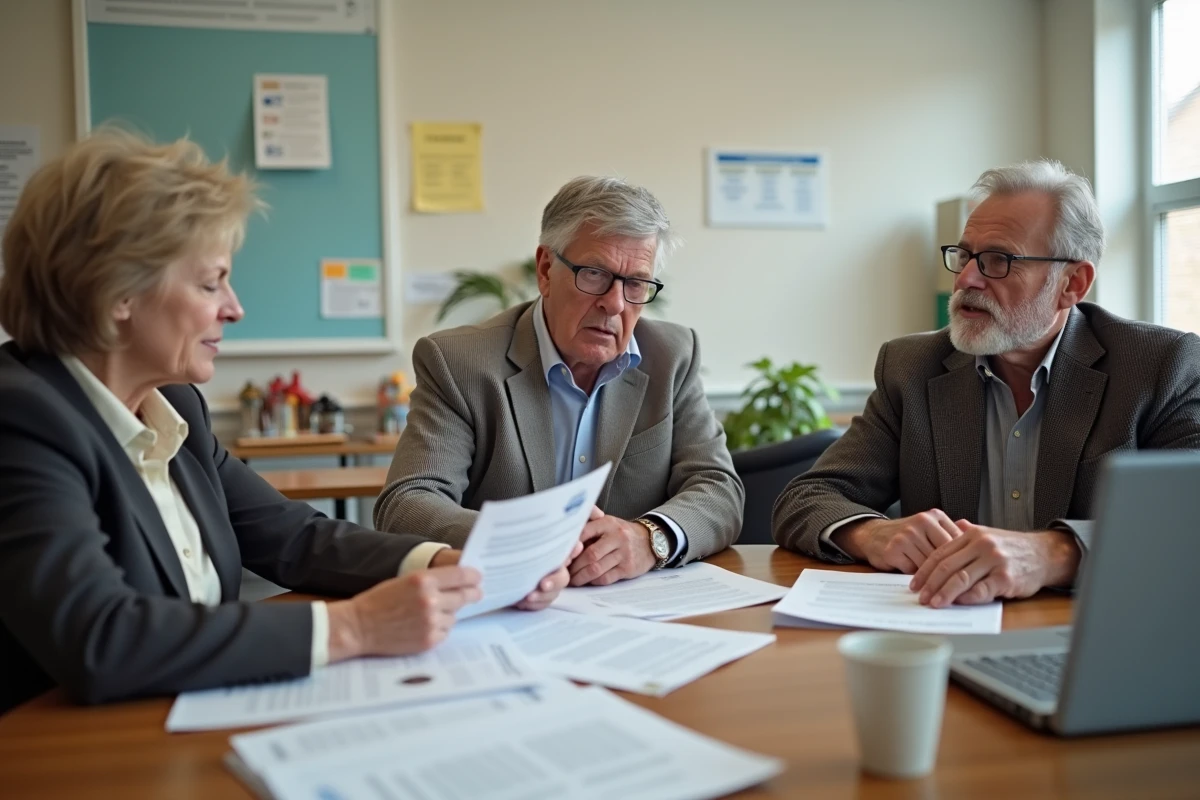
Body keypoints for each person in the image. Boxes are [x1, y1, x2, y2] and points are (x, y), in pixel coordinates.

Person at [0, 130, 571, 713]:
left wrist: (450, 566)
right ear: (117, 292)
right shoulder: (21, 419)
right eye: (209, 281)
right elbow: (100, 637)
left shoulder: (177, 408)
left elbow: (295, 538)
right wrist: (352, 628)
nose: (234, 307)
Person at [773, 159, 1200, 608]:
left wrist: (1056, 553)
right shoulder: (912, 367)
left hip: (1097, 637)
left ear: (1072, 283)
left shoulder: (1158, 366)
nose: (966, 279)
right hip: (946, 629)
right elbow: (805, 498)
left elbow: (1187, 517)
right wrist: (872, 532)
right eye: (964, 255)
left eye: (999, 260)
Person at [375, 176, 743, 586]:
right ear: (546, 270)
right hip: (508, 607)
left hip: (634, 612)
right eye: (594, 274)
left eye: (635, 283)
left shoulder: (672, 356)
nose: (615, 303)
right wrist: (532, 541)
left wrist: (649, 537)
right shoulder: (459, 363)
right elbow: (407, 504)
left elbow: (718, 489)